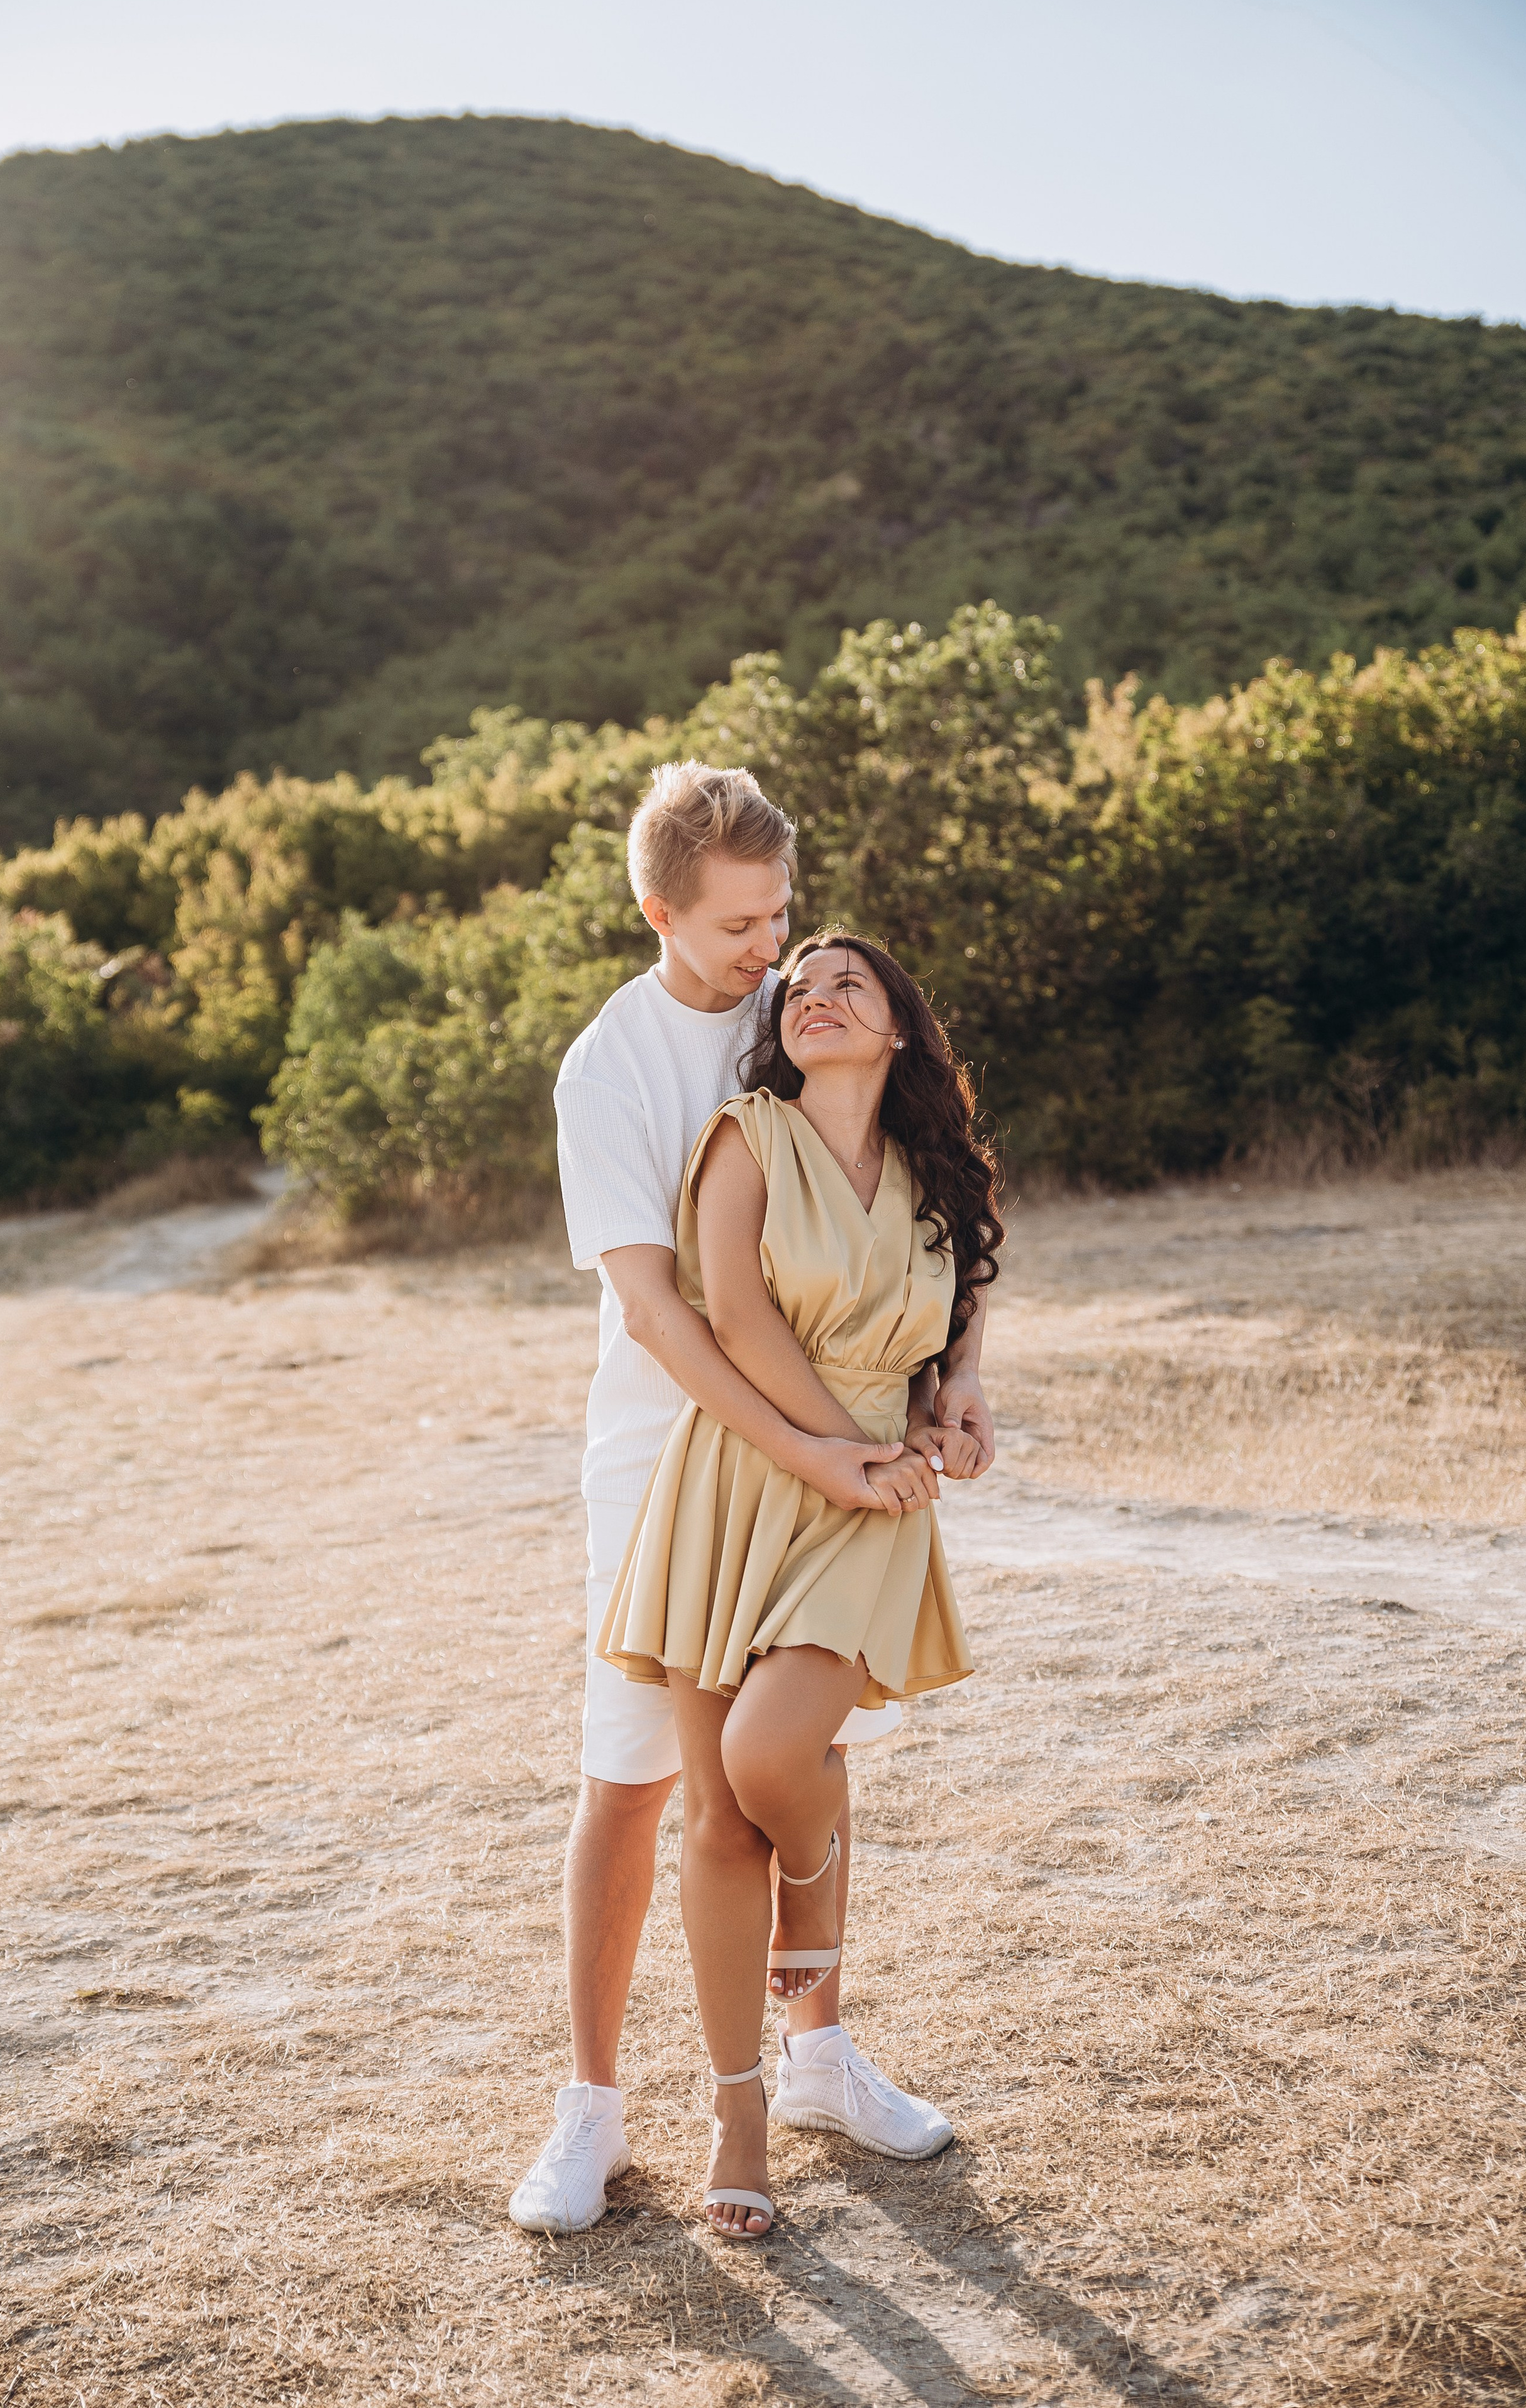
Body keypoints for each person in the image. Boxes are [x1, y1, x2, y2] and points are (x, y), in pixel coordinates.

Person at [509, 764, 997, 2236]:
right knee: (639, 1782)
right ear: (657, 910)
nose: (767, 948)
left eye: (778, 913)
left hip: (826, 1457)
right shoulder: (611, 1069)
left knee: (785, 1766)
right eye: (735, 923)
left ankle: (818, 2056)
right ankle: (590, 2108)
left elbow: (931, 1210)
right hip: (665, 1462)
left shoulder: (805, 1008)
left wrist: (944, 1384)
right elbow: (668, 1318)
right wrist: (817, 1448)